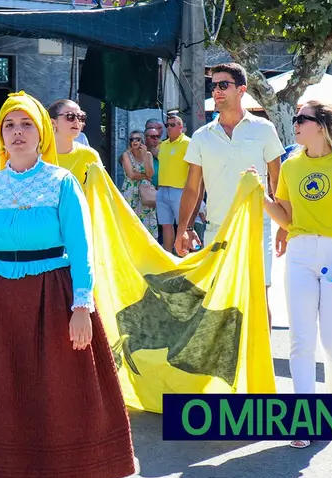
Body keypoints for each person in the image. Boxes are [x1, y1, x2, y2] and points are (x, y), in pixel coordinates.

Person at [0, 91, 135, 478]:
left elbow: (80, 247)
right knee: (5, 399)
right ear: (0, 136)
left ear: (41, 134)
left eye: (26, 125)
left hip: (54, 299)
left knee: (63, 393)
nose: (17, 133)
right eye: (9, 126)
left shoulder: (61, 182)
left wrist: (81, 308)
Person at [262, 101, 332, 449]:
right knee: (300, 339)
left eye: (301, 119)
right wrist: (260, 197)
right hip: (300, 254)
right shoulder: (292, 165)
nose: (295, 124)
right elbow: (287, 218)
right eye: (295, 119)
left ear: (321, 125)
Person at [177, 62, 285, 328]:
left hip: (257, 229)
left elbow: (278, 182)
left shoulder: (263, 129)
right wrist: (184, 228)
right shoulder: (201, 136)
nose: (217, 91)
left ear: (242, 90)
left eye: (223, 85)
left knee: (258, 298)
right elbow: (193, 188)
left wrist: (285, 224)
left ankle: (260, 366)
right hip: (216, 229)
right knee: (217, 301)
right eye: (214, 86)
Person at [155, 113, 190, 253]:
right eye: (167, 125)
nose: (169, 128)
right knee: (166, 225)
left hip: (180, 190)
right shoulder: (163, 145)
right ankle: (169, 256)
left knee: (183, 225)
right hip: (162, 189)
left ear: (181, 127)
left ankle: (184, 256)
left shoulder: (188, 143)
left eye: (173, 125)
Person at [49, 99, 103, 186]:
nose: (77, 121)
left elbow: (100, 192)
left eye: (81, 117)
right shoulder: (37, 156)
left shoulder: (90, 155)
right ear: (53, 122)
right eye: (70, 116)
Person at [118, 130, 158, 237]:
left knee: (147, 222)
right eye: (132, 139)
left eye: (138, 139)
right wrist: (145, 176)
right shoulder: (126, 155)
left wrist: (145, 156)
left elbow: (151, 173)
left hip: (145, 192)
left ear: (142, 141)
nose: (134, 141)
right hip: (131, 192)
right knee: (131, 222)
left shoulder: (148, 154)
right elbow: (131, 174)